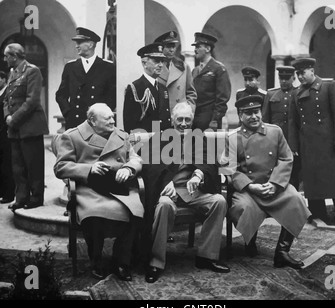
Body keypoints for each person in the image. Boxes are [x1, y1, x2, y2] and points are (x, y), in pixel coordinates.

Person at [54, 103, 144, 280]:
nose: (113, 121)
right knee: (95, 214)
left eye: (113, 116)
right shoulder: (72, 136)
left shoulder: (121, 135)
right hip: (90, 189)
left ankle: (121, 262)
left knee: (136, 211)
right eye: (108, 118)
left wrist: (129, 168)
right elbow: (61, 167)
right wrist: (88, 169)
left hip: (119, 187)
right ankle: (96, 261)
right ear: (92, 121)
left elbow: (135, 158)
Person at [142, 102, 230, 283]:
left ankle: (206, 257)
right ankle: (156, 262)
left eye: (187, 120)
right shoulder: (160, 138)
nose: (183, 124)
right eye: (179, 119)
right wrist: (167, 183)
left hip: (193, 191)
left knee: (219, 201)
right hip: (169, 191)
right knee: (164, 206)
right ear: (172, 120)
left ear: (192, 121)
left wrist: (199, 174)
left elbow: (210, 162)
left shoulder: (198, 138)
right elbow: (149, 166)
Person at [224, 95, 311, 269]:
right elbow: (228, 169)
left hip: (274, 187)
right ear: (240, 116)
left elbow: (286, 159)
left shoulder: (275, 132)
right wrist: (250, 186)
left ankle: (282, 252)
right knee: (243, 208)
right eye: (248, 113)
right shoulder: (233, 138)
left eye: (256, 111)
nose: (254, 116)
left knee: (296, 199)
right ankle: (250, 240)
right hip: (248, 190)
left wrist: (275, 184)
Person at [289, 58, 335, 224]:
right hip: (308, 145)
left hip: (331, 144)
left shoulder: (329, 86)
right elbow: (293, 122)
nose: (300, 77)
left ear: (312, 70)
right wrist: (294, 146)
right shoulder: (296, 93)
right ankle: (318, 214)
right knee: (313, 181)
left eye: (302, 73)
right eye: (297, 74)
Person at [3, 43, 49, 211]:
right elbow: (8, 98)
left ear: (14, 56)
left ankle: (36, 198)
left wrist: (13, 119)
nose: (4, 59)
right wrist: (7, 116)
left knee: (33, 165)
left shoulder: (32, 71)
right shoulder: (12, 73)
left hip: (30, 127)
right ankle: (21, 197)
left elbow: (32, 101)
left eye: (6, 56)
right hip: (15, 129)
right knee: (18, 166)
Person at [56, 27, 116, 130]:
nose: (76, 46)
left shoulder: (108, 67)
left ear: (91, 44)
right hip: (75, 124)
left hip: (98, 125)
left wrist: (102, 116)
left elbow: (112, 96)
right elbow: (61, 95)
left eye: (79, 43)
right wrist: (68, 114)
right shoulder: (70, 67)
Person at [262, 66, 300, 190]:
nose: (283, 81)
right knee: (275, 171)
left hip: (293, 141)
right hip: (274, 141)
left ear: (293, 78)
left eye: (286, 78)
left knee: (293, 172)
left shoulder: (298, 93)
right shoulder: (271, 94)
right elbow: (265, 119)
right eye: (281, 78)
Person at [123, 43, 171, 133]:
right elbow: (129, 124)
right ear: (144, 63)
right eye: (156, 61)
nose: (161, 65)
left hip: (164, 142)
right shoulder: (135, 88)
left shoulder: (163, 88)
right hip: (145, 142)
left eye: (162, 61)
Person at [191, 32, 231, 131]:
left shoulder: (218, 69)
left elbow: (222, 98)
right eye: (195, 47)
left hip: (209, 119)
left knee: (208, 146)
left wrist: (215, 120)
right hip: (194, 118)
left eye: (198, 47)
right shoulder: (195, 70)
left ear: (208, 49)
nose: (195, 50)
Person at [154, 31, 197, 115]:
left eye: (173, 46)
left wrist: (189, 111)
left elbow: (191, 93)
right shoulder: (154, 68)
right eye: (168, 46)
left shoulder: (183, 67)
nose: (172, 50)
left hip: (180, 117)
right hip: (158, 116)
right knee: (156, 128)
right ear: (160, 48)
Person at [0, 70, 15, 204]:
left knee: (7, 164)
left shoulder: (7, 92)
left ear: (4, 79)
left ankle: (8, 193)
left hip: (6, 132)